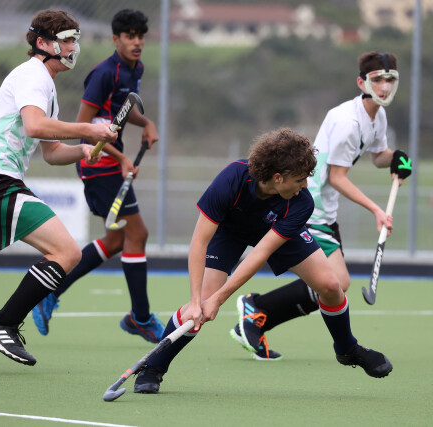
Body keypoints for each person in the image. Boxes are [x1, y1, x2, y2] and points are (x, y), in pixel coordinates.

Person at [133, 128, 393, 395]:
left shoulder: (301, 202)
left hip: (275, 230)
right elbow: (199, 241)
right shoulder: (232, 178)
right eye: (300, 179)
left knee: (331, 284)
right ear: (278, 177)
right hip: (230, 231)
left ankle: (347, 348)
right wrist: (198, 300)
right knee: (198, 304)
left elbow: (260, 253)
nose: (305, 185)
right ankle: (153, 367)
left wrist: (219, 299)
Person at [0, 9, 118, 366]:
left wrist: (82, 151)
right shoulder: (34, 75)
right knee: (67, 252)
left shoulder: (44, 85)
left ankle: (2, 323)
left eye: (75, 40)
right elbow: (35, 126)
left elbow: (51, 153)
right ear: (42, 43)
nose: (73, 47)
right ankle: (2, 323)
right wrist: (88, 130)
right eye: (66, 40)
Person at [229, 52, 412, 361]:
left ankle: (258, 313)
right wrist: (376, 210)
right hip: (308, 205)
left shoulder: (376, 115)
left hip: (325, 210)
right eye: (377, 80)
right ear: (362, 83)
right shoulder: (348, 122)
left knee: (335, 283)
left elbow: (378, 155)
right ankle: (257, 310)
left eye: (390, 79)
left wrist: (395, 158)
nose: (384, 86)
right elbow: (337, 177)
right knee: (336, 283)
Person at [31, 9, 165, 343]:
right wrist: (121, 157)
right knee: (138, 234)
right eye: (129, 36)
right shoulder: (104, 73)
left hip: (110, 163)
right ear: (116, 39)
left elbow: (122, 110)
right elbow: (83, 127)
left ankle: (50, 291)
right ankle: (141, 318)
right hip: (98, 164)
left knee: (117, 240)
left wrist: (146, 123)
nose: (136, 42)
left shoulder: (135, 69)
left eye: (140, 36)